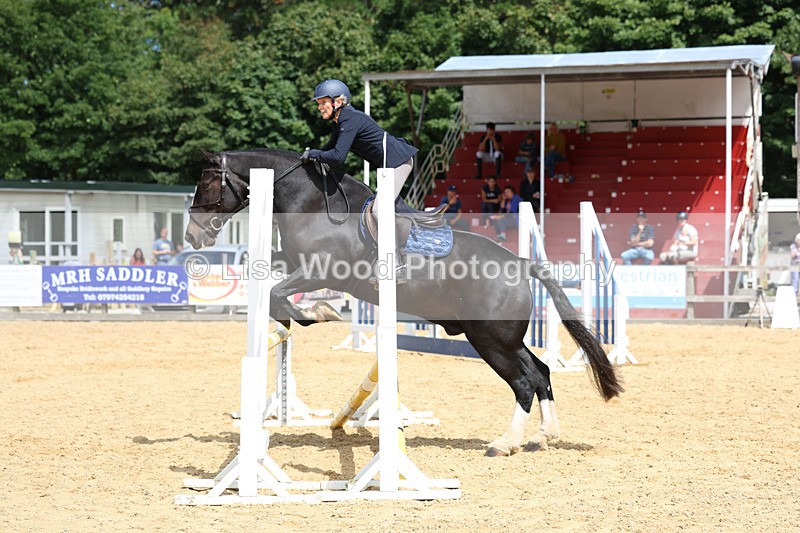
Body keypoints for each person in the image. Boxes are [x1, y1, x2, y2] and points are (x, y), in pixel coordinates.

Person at [305, 79, 417, 279]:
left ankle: (396, 264)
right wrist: (309, 157)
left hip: (399, 163)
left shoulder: (349, 119)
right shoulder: (340, 122)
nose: (319, 107)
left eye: (323, 102)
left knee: (378, 210)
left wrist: (314, 153)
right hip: (387, 167)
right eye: (318, 103)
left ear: (338, 101)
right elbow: (327, 150)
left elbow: (338, 156)